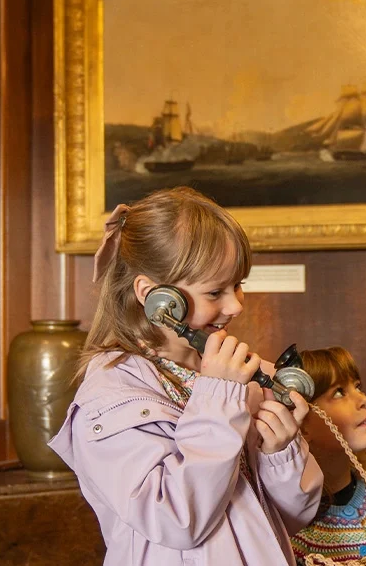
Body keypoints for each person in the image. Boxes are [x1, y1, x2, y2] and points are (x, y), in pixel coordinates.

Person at [48, 187, 323, 566]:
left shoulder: (233, 377)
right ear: (155, 296)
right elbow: (176, 521)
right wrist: (217, 399)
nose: (236, 305)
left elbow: (290, 518)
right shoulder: (110, 397)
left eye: (238, 285)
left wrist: (279, 454)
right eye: (215, 291)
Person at [290, 346, 366, 563]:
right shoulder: (291, 527)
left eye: (358, 386)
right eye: (339, 392)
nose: (363, 400)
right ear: (302, 424)